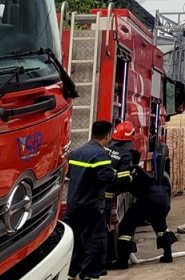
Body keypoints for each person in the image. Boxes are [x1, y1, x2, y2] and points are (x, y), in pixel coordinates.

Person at [64, 120, 116, 280]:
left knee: (75, 242)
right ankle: (89, 275)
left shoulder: (76, 153)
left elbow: (69, 175)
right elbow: (107, 178)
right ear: (108, 136)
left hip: (73, 205)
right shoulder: (100, 155)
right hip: (92, 207)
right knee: (95, 242)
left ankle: (71, 274)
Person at [112, 150, 176, 268]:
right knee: (160, 226)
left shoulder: (129, 172)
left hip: (149, 198)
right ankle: (168, 255)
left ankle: (122, 261)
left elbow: (122, 185)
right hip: (163, 196)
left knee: (126, 225)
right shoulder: (141, 171)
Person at [105, 121, 135, 202]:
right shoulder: (125, 155)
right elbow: (122, 180)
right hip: (107, 196)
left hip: (93, 194)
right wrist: (132, 178)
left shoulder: (105, 147)